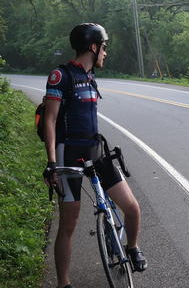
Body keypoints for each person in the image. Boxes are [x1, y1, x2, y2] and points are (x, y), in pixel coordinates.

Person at [42, 23, 147, 288]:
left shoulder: (90, 76)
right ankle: (63, 283)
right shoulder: (60, 76)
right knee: (69, 223)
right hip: (68, 155)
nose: (106, 53)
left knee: (132, 208)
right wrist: (52, 163)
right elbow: (50, 121)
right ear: (93, 46)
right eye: (104, 47)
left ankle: (132, 247)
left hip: (96, 150)